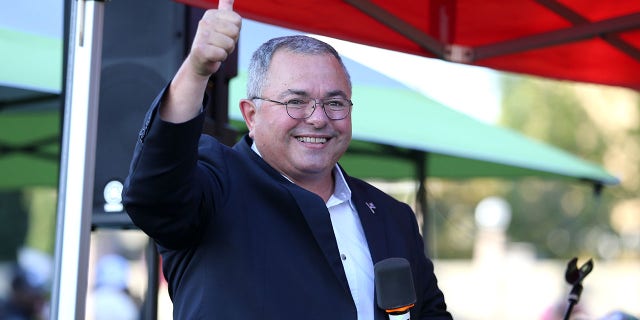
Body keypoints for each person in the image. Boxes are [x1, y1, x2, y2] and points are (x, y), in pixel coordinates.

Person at [122, 0, 452, 318]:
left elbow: (429, 313)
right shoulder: (215, 185)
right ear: (251, 115)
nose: (318, 118)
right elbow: (152, 196)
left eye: (335, 103)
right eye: (296, 101)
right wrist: (196, 70)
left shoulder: (392, 216)